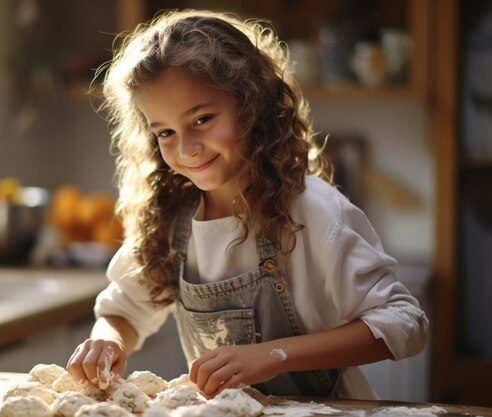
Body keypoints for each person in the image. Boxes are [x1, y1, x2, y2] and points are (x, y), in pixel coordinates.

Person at [66, 9, 429, 400]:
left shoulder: (313, 211)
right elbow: (125, 310)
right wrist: (108, 341)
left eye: (202, 119)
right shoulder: (171, 219)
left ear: (252, 104)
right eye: (166, 132)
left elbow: (405, 323)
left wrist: (274, 355)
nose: (186, 148)